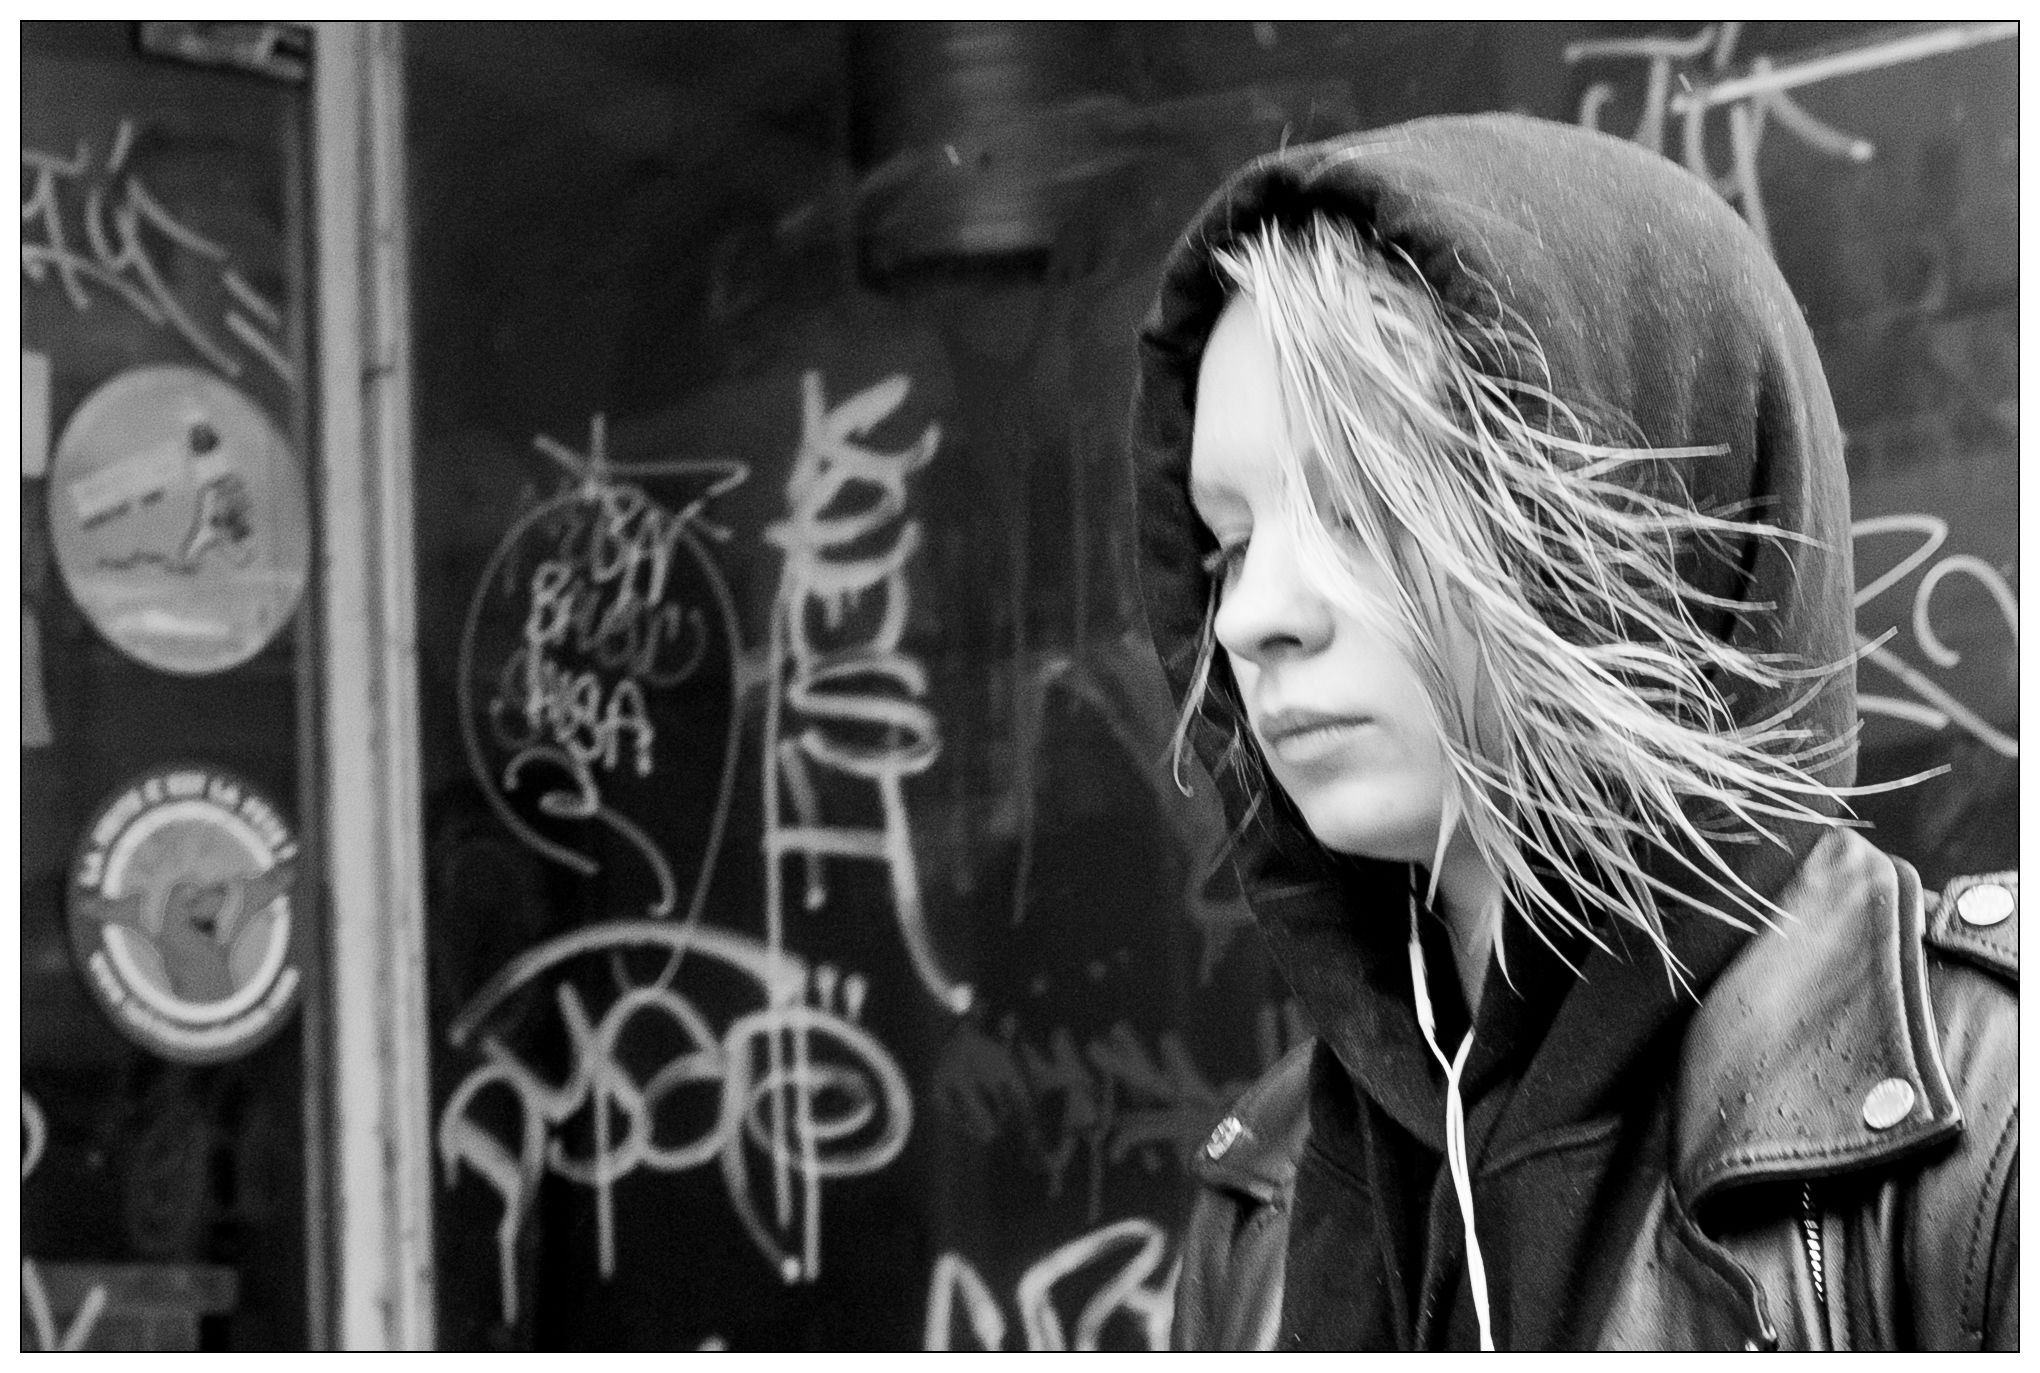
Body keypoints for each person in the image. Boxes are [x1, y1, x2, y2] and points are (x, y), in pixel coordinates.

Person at [1128, 113, 2016, 1351]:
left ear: (1647, 508)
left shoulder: (1984, 1107)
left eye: (1363, 510)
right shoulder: (1265, 1207)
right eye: (1228, 545)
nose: (1251, 616)